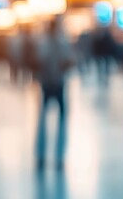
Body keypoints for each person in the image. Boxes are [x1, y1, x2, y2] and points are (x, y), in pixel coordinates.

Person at [34, 19, 75, 171]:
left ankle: (46, 156)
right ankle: (53, 156)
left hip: (52, 84)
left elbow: (38, 62)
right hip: (55, 84)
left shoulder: (45, 44)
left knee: (46, 121)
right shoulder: (58, 43)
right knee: (52, 121)